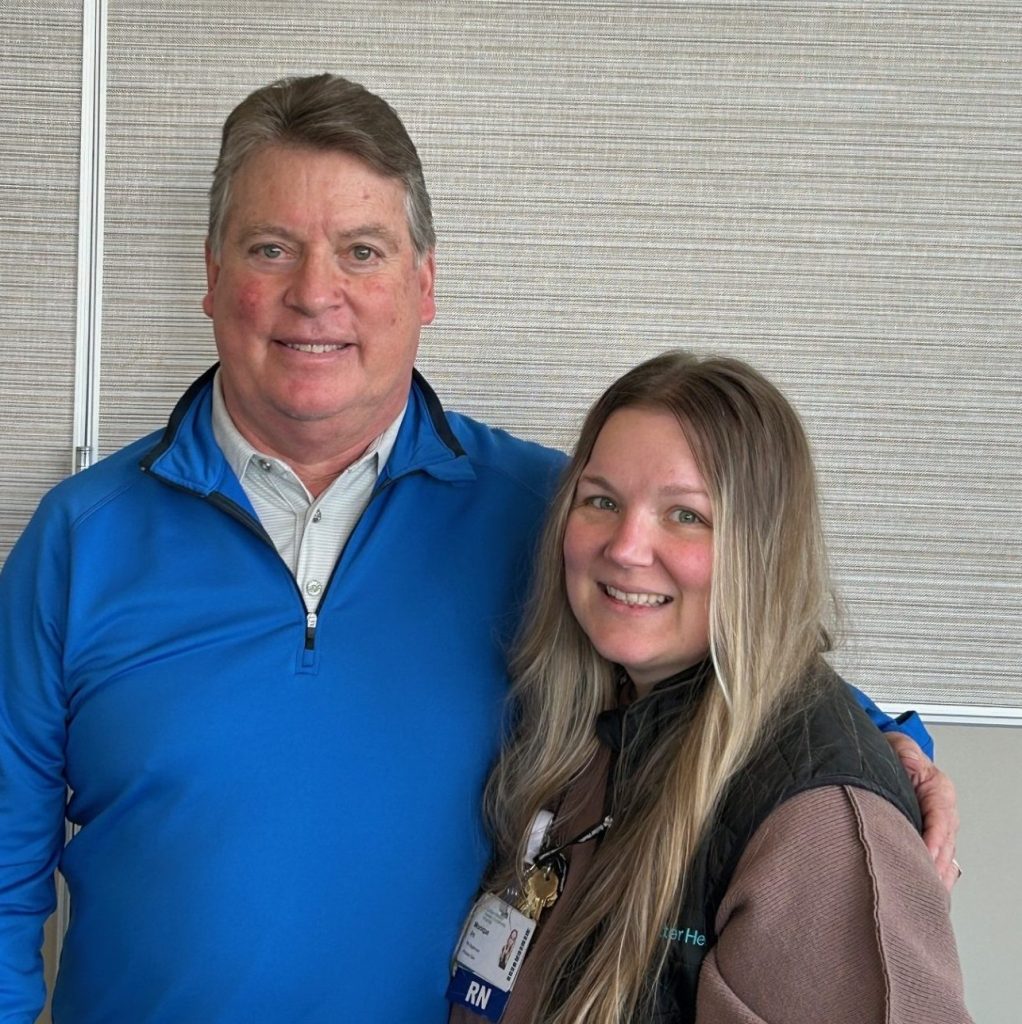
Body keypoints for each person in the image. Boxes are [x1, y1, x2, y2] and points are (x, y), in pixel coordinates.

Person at [0, 75, 955, 1023]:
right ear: (212, 277)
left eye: (361, 251)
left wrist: (884, 746)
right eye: (271, 248)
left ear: (424, 285)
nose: (315, 293)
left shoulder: (552, 514)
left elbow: (730, 644)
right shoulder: (80, 540)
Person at [448, 351, 971, 1024]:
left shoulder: (818, 827)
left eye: (686, 515)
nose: (627, 547)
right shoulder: (594, 726)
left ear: (761, 548)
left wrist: (863, 770)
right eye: (601, 501)